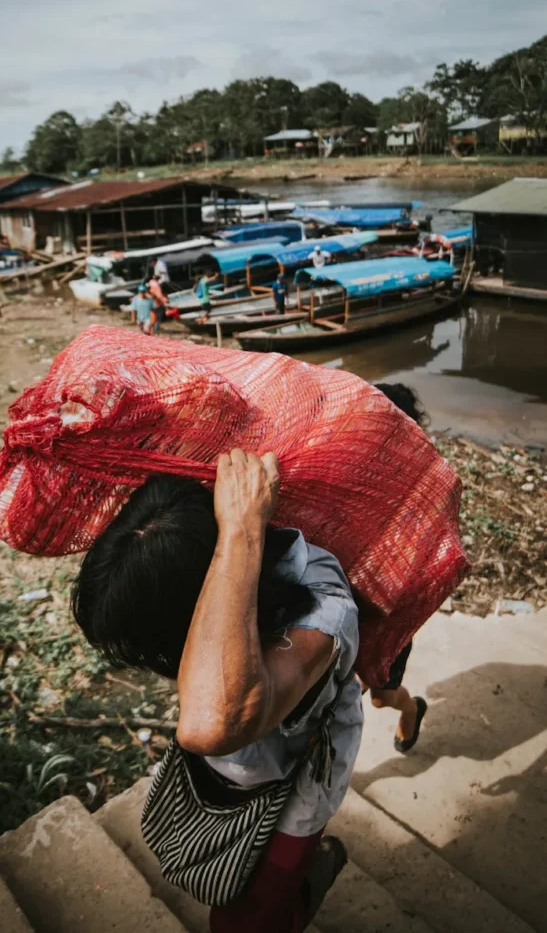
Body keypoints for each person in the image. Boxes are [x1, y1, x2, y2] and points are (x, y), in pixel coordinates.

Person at [72, 450, 363, 932]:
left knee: (241, 923)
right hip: (230, 772)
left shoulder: (320, 615)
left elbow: (210, 724)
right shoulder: (222, 570)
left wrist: (243, 528)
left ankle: (305, 884)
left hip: (293, 785)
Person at [369, 382, 429, 753]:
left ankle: (412, 709)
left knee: (380, 697)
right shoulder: (351, 467)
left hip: (394, 608)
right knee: (337, 689)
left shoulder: (421, 484)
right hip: (353, 601)